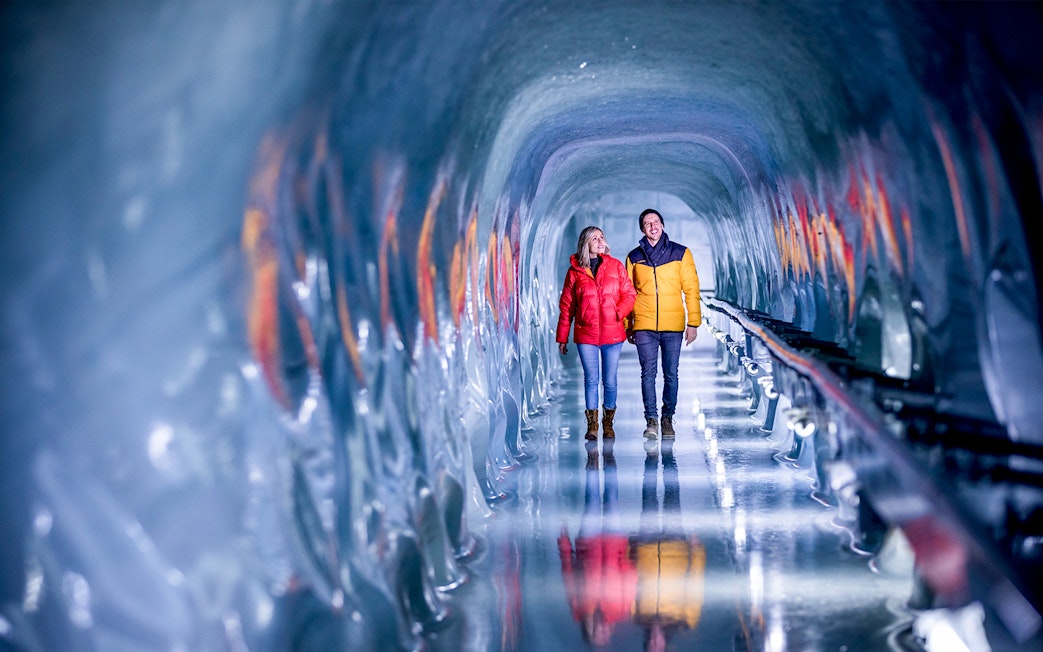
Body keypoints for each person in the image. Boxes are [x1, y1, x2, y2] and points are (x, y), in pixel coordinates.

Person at [626, 209, 701, 439]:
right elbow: (627, 293)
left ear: (663, 225)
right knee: (647, 373)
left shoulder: (681, 253)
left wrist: (693, 322)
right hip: (645, 324)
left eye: (656, 222)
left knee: (671, 374)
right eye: (647, 223)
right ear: (642, 229)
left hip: (673, 324)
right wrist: (628, 323)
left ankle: (667, 418)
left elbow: (691, 289)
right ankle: (651, 420)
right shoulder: (634, 257)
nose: (652, 226)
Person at [557, 226, 637, 440]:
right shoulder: (575, 272)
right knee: (591, 379)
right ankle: (592, 426)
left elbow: (630, 294)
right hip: (586, 334)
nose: (600, 241)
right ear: (586, 244)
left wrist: (618, 312)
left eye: (602, 237)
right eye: (595, 238)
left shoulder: (615, 266)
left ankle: (608, 423)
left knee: (609, 380)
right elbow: (567, 306)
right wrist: (562, 336)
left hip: (613, 333)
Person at [558, 441, 636, 646]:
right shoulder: (621, 611)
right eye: (604, 634)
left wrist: (564, 542)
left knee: (592, 501)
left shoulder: (578, 606)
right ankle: (609, 461)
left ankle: (593, 462)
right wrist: (626, 555)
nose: (601, 629)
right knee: (611, 500)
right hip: (615, 543)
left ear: (587, 630)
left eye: (596, 633)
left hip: (588, 543)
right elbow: (630, 577)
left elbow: (568, 572)